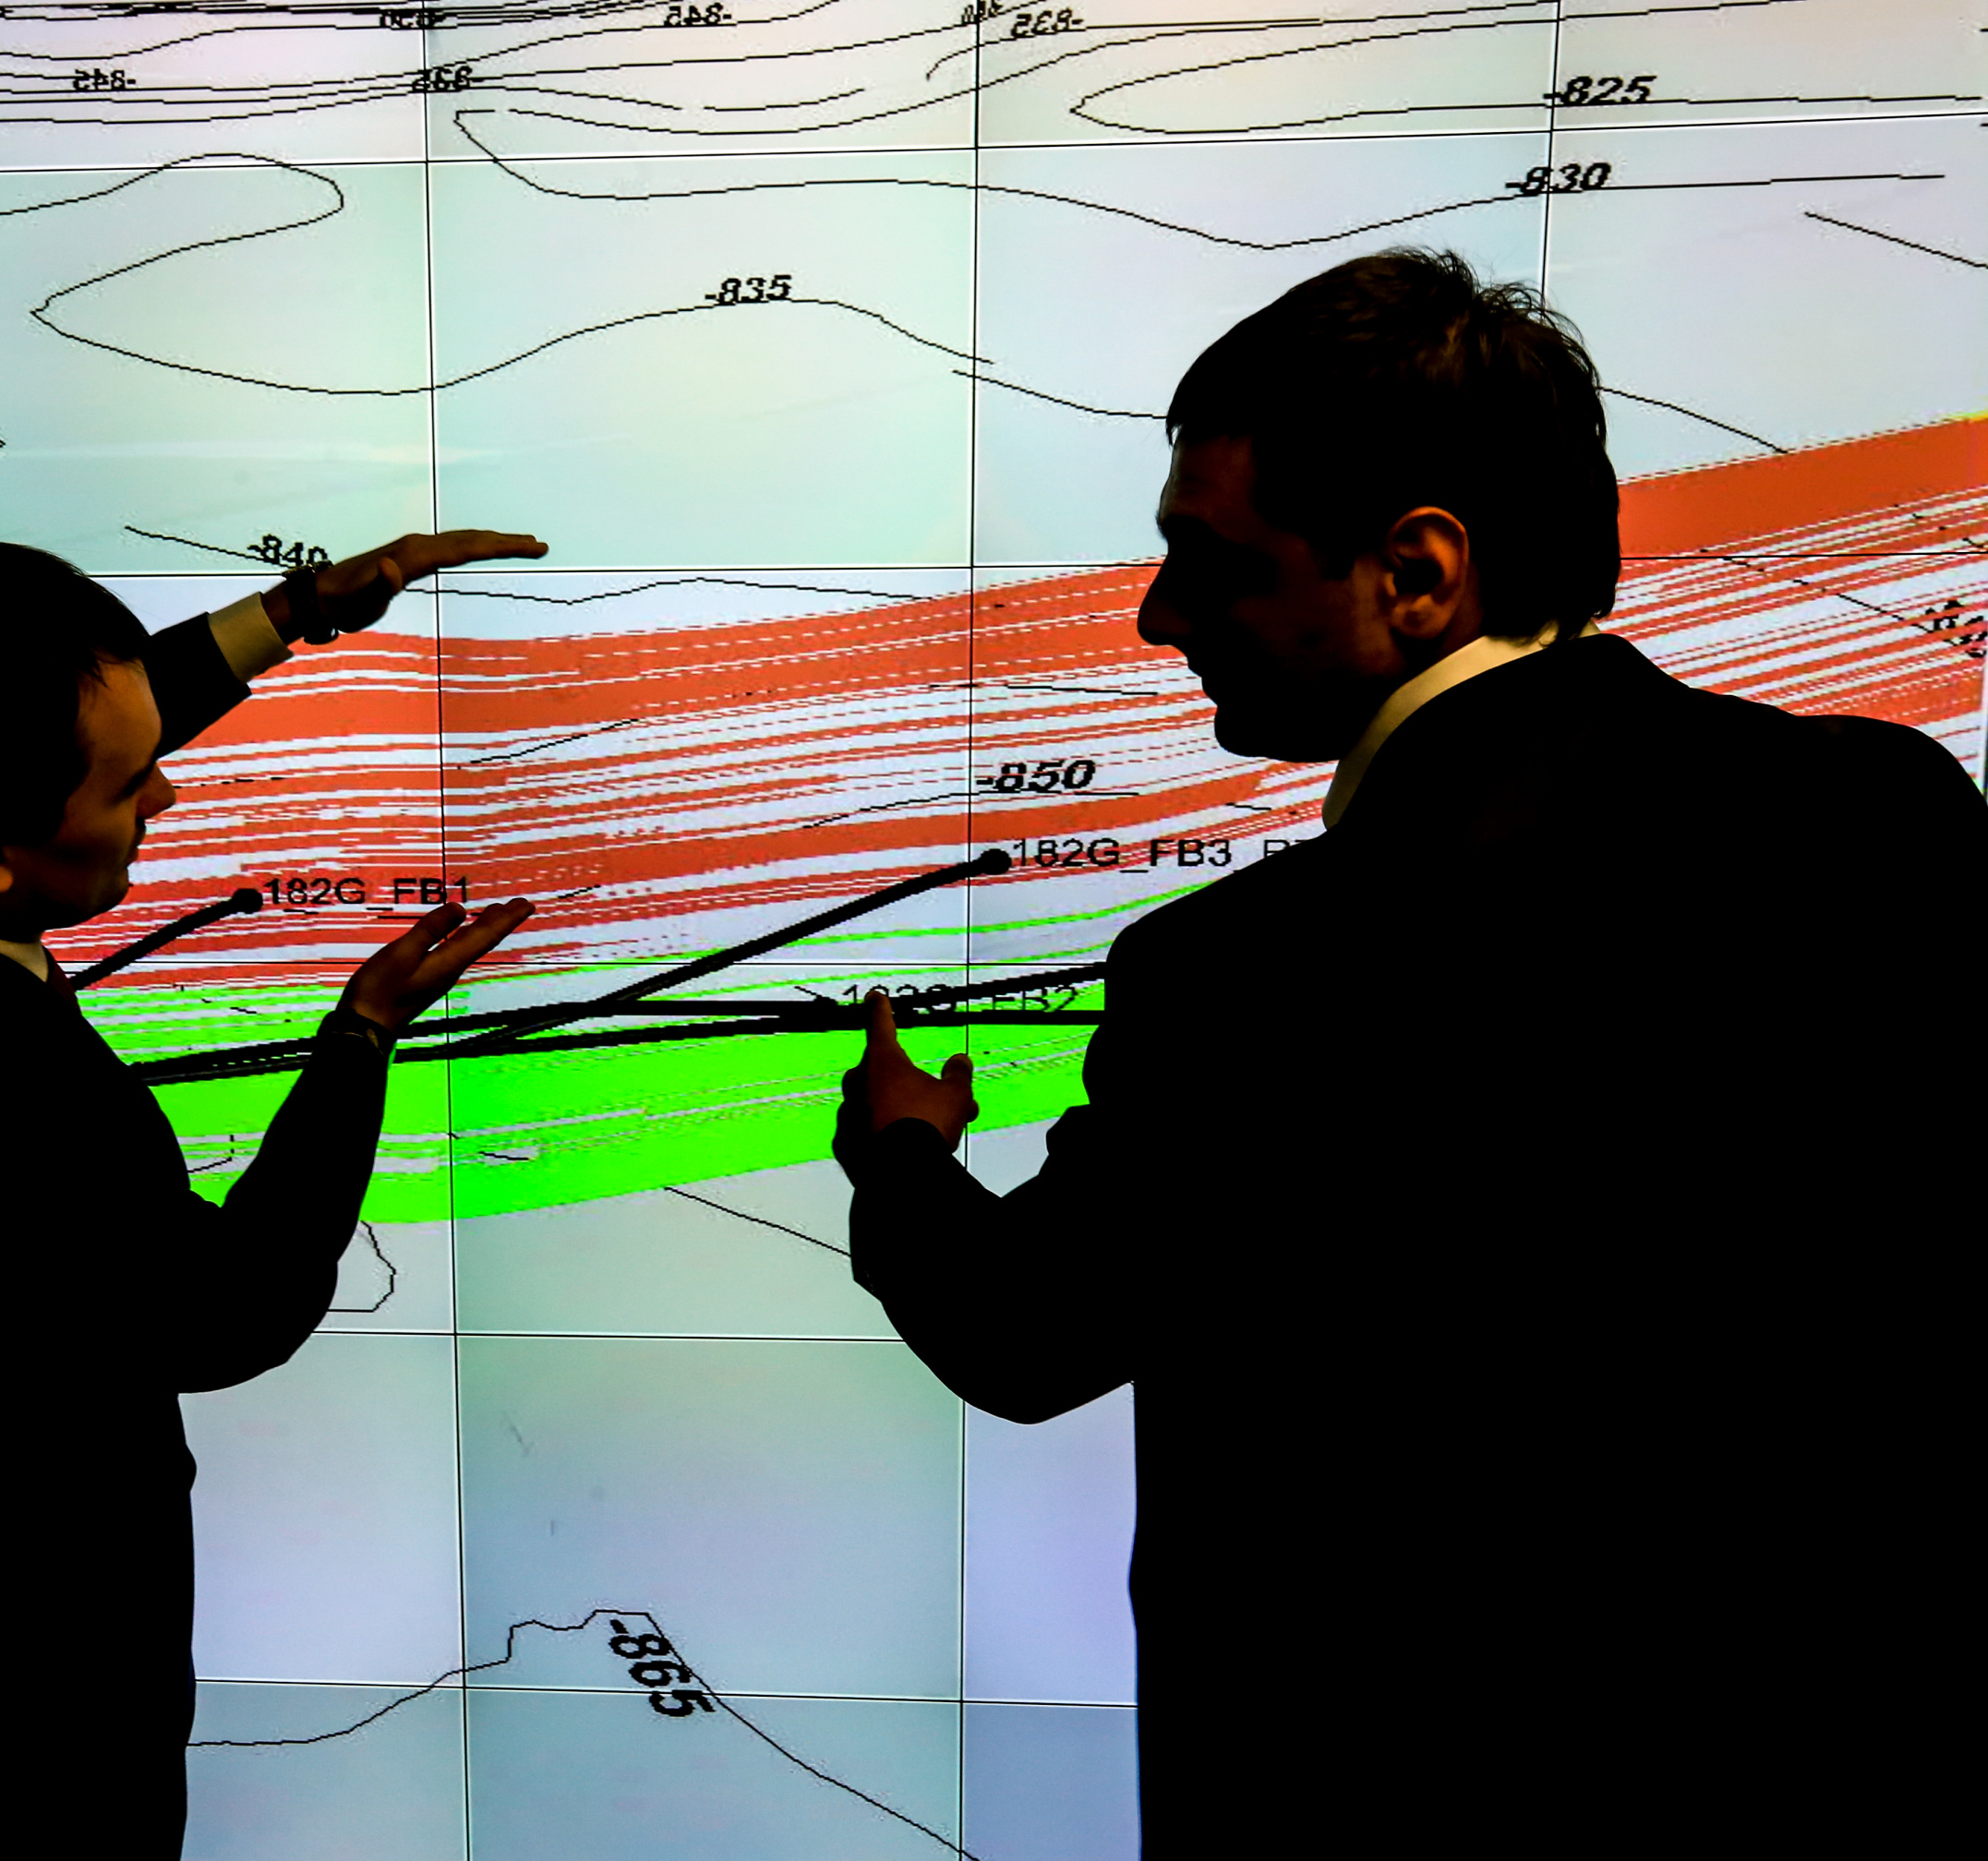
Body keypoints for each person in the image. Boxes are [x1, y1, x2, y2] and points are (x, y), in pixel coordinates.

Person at [836, 249, 1980, 1856]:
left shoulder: (1251, 980)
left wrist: (900, 1153)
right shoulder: (1887, 810)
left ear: (1420, 574)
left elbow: (1025, 1332)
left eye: (1210, 561)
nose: (1160, 617)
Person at [0, 530, 544, 1855]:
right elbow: (231, 1311)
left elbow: (19, 736)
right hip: (27, 1689)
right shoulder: (3, 1100)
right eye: (135, 784)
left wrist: (299, 612)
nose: (168, 796)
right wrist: (363, 1033)